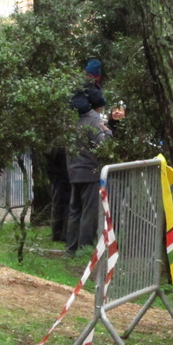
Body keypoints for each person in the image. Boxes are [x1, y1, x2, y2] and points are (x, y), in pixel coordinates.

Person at [66, 88, 112, 255]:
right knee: (89, 213)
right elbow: (103, 145)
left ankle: (70, 249)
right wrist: (107, 132)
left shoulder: (71, 120)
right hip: (91, 171)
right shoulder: (94, 120)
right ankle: (85, 249)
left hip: (73, 170)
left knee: (74, 212)